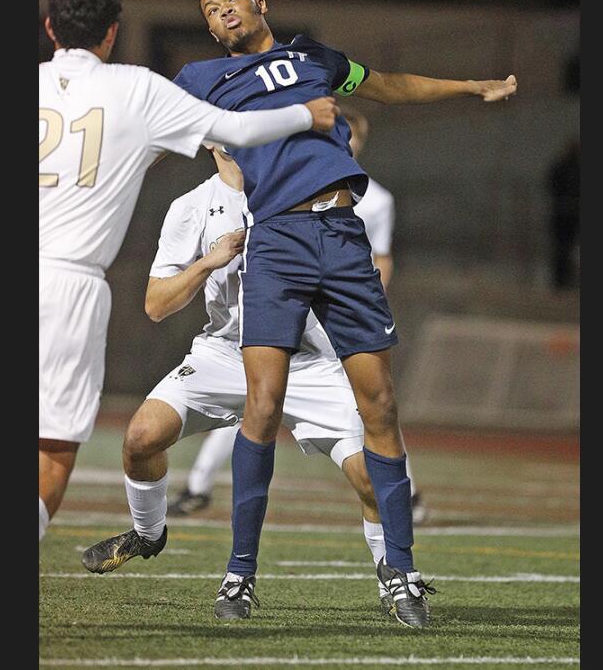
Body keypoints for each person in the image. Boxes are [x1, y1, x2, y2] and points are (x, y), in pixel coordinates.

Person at [169, 0, 516, 627]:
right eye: (211, 9)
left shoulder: (314, 59)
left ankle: (403, 575)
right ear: (211, 29)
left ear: (259, 2)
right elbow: (144, 120)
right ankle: (239, 577)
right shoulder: (201, 77)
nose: (223, 12)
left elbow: (390, 85)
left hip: (342, 235)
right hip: (276, 240)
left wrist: (471, 86)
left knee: (380, 402)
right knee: (264, 405)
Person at [38, 0, 340, 544]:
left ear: (50, 28)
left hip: (299, 356)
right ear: (113, 32)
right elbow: (236, 126)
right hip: (72, 288)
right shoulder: (138, 90)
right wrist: (307, 111)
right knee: (52, 456)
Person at [79, 144, 402, 616]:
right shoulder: (191, 206)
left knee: (373, 481)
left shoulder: (301, 189)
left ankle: (392, 580)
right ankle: (148, 533)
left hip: (307, 362)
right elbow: (155, 304)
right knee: (141, 438)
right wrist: (208, 262)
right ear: (210, 135)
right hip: (225, 355)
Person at [166, 107, 431, 525]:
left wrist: (357, 306)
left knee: (373, 403)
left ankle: (405, 492)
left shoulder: (376, 199)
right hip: (287, 302)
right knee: (252, 395)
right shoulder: (289, 183)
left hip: (336, 311)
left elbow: (381, 259)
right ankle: (199, 484)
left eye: (346, 138)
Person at [545, 136, 580, 290]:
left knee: (565, 248)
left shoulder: (571, 168)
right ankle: (561, 281)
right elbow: (551, 185)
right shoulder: (563, 168)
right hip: (563, 212)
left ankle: (564, 280)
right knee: (562, 248)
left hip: (570, 212)